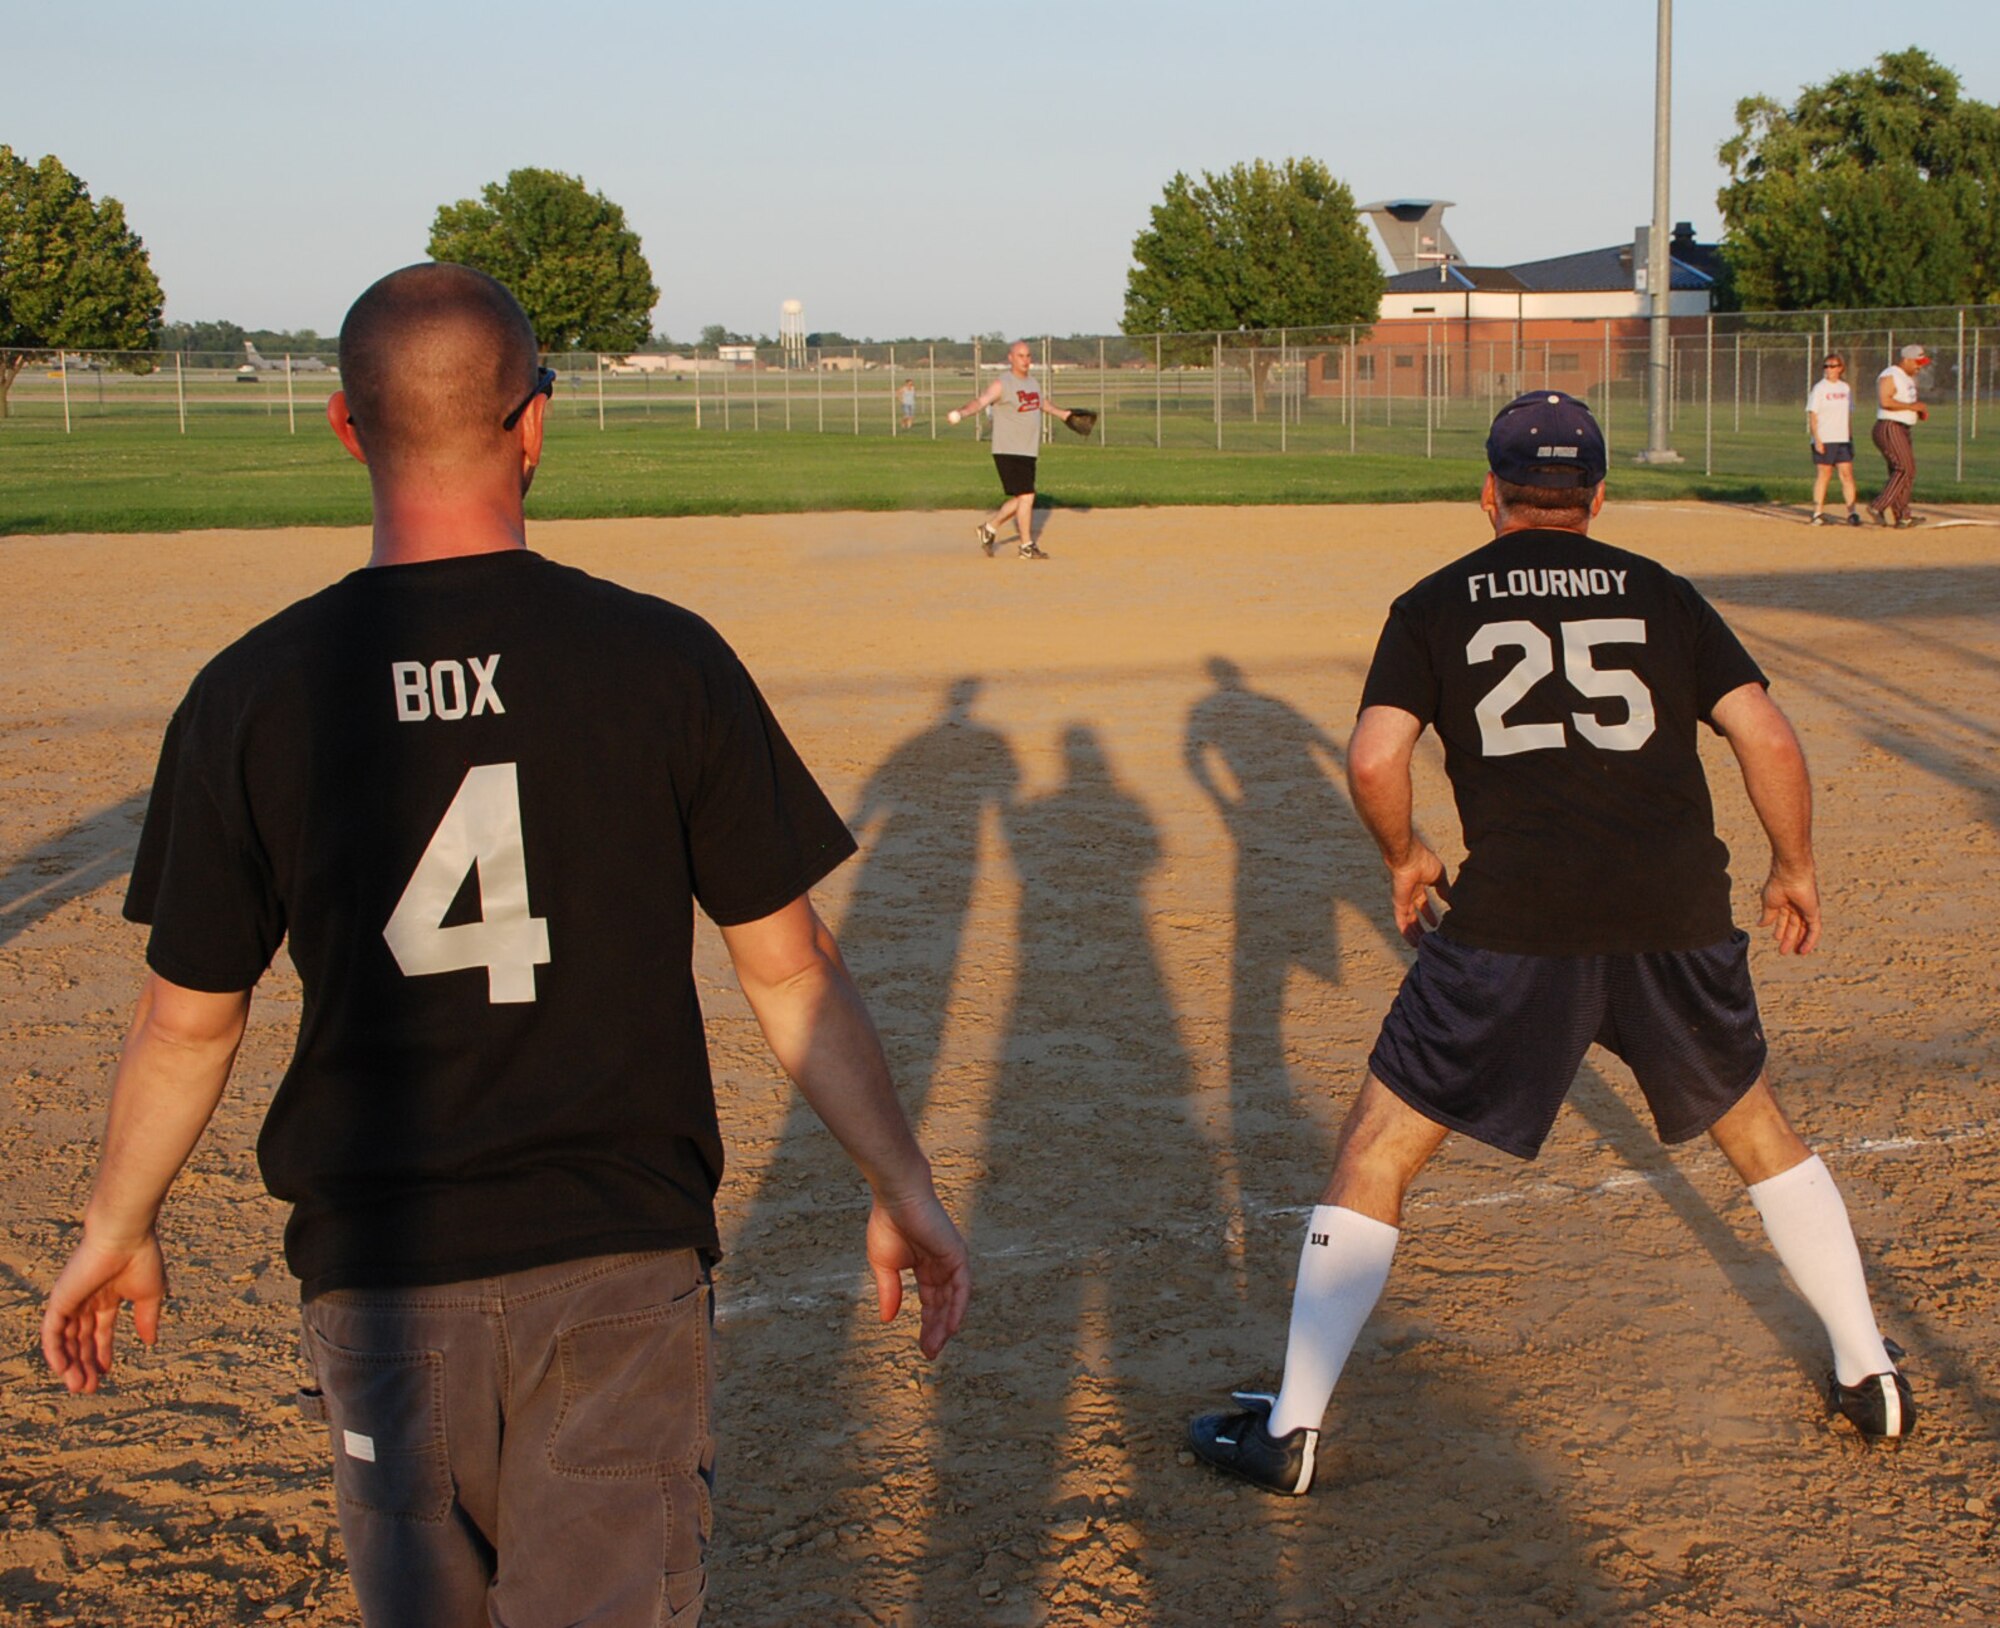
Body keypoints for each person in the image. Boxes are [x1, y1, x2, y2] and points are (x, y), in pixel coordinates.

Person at [40, 262, 971, 1625]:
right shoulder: (663, 660)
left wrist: (117, 1225)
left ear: (346, 429)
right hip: (614, 1268)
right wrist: (903, 1181)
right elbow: (789, 966)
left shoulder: (250, 691)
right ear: (535, 422)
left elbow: (188, 1016)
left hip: (380, 1280)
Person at [1187, 391, 1915, 1498]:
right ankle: (1869, 1369)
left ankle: (1290, 1426)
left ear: (1489, 493)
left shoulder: (1433, 602)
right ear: (1597, 497)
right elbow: (1763, 728)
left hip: (1516, 925)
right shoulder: (1659, 590)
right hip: (1671, 912)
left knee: (1378, 1144)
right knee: (1755, 1122)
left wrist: (1403, 855)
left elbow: (1377, 755)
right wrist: (1794, 864)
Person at [947, 339, 1080, 561]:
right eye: (1020, 355)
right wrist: (961, 413)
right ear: (1010, 358)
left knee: (1023, 497)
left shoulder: (1033, 383)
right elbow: (981, 402)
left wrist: (1063, 414)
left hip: (1028, 449)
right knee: (1027, 496)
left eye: (1028, 356)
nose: (1025, 360)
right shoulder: (1002, 384)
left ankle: (989, 528)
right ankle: (1026, 546)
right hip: (1008, 449)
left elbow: (1041, 403)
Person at [1868, 343, 1931, 527]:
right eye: (1917, 362)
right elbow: (1885, 400)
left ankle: (1902, 516)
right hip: (1890, 426)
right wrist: (1913, 407)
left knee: (1905, 472)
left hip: (1902, 427)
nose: (1920, 366)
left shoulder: (1908, 378)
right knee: (1905, 468)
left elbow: (1904, 402)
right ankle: (1877, 506)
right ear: (1906, 359)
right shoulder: (1891, 374)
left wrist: (1917, 410)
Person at [1806, 354, 1860, 526]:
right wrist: (1817, 440)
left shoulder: (1845, 388)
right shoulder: (1819, 388)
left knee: (1847, 475)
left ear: (1840, 368)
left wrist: (1850, 437)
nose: (1829, 370)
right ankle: (1817, 512)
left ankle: (1852, 512)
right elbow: (1813, 415)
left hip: (1842, 438)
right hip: (1825, 437)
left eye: (1833, 366)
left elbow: (1848, 415)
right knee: (1824, 474)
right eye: (1826, 366)